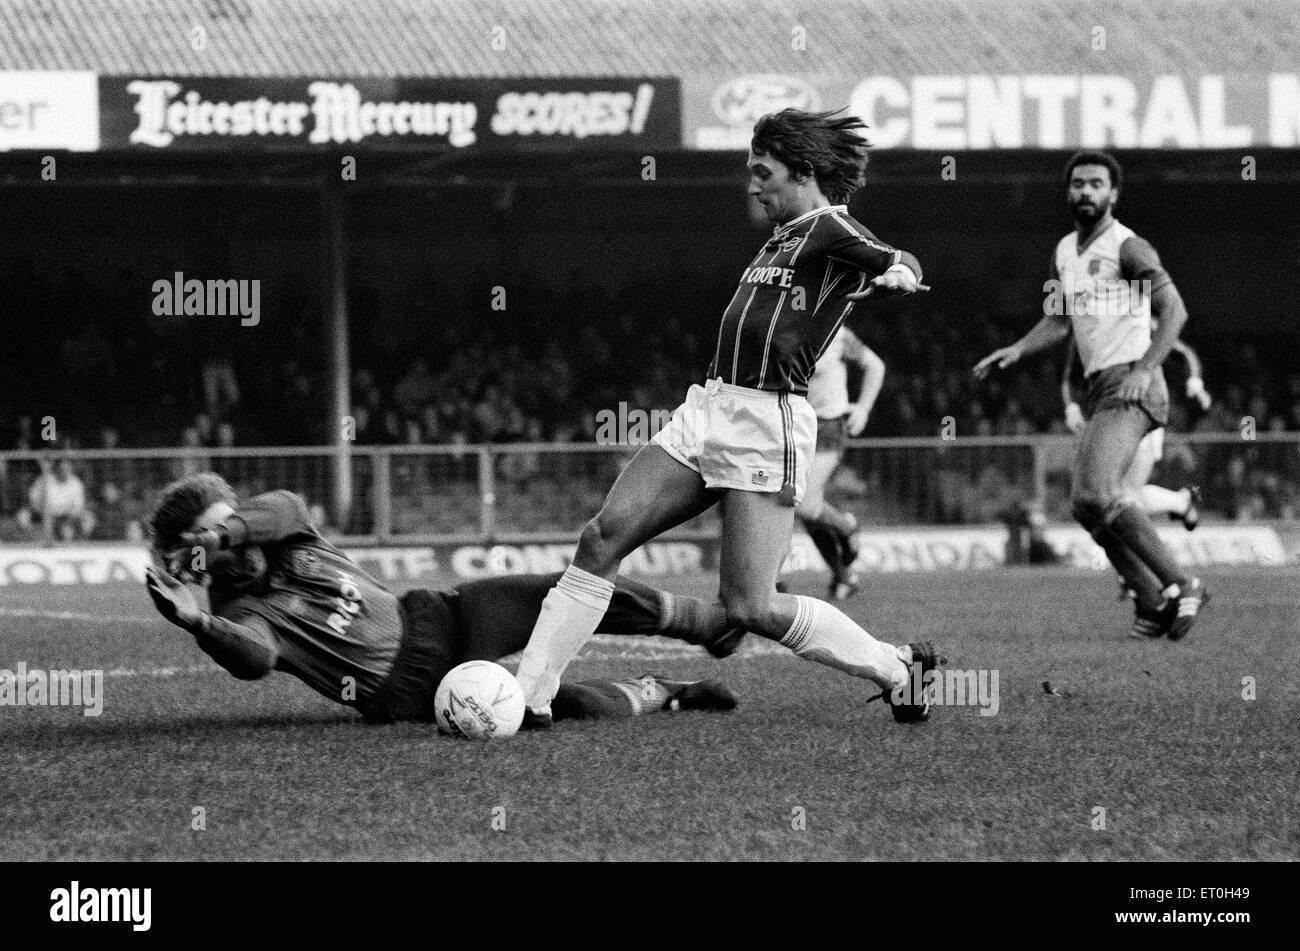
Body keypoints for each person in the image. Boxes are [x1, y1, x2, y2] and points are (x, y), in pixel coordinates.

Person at [512, 108, 941, 728]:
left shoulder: (829, 227)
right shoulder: (783, 234)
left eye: (761, 172)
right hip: (708, 408)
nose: (751, 185)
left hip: (767, 423)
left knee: (750, 606)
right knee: (602, 536)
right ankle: (530, 697)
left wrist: (900, 273)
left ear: (804, 171)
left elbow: (897, 257)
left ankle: (900, 669)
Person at [143, 474, 741, 725]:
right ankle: (660, 691)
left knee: (572, 590)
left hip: (437, 613)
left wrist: (223, 532)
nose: (226, 538)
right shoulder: (236, 613)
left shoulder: (278, 527)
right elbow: (255, 658)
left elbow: (285, 505)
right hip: (413, 687)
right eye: (209, 540)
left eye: (227, 523)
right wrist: (200, 625)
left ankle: (706, 622)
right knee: (545, 708)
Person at [974, 150, 1209, 640]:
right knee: (1085, 505)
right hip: (1100, 386)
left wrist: (1145, 369)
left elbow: (1176, 313)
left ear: (1113, 193)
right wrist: (1018, 348)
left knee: (1100, 492)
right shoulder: (1065, 251)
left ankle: (1183, 582)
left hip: (1132, 384)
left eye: (1096, 184)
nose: (1085, 191)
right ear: (1068, 192)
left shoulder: (1129, 247)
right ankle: (1150, 602)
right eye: (1078, 184)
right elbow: (1059, 319)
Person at [1061, 328, 1205, 532]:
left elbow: (1184, 353)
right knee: (1113, 491)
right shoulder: (1086, 328)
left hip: (1142, 412)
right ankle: (1180, 501)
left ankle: (1178, 504)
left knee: (1125, 492)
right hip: (1107, 418)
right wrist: (1071, 408)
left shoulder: (1141, 322)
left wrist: (1195, 380)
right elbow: (1068, 376)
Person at [798, 324, 885, 599]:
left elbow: (875, 366)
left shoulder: (835, 333)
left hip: (828, 429)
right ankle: (844, 576)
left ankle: (847, 527)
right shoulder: (781, 332)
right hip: (795, 429)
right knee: (809, 516)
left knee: (802, 502)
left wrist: (864, 409)